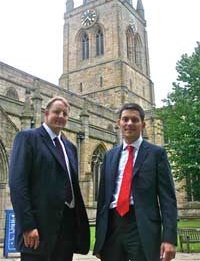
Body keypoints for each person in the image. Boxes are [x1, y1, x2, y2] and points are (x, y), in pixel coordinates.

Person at [9, 96, 90, 261]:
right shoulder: (28, 138)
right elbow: (18, 184)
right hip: (38, 228)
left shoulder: (70, 147)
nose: (61, 116)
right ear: (46, 114)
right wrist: (27, 225)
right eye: (56, 112)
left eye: (65, 114)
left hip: (67, 227)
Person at [93, 103, 177, 261]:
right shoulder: (109, 155)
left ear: (143, 125)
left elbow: (168, 199)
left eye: (134, 120)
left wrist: (169, 238)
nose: (129, 123)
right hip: (113, 225)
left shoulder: (156, 153)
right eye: (125, 119)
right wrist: (99, 240)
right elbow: (103, 201)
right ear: (119, 123)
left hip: (142, 225)